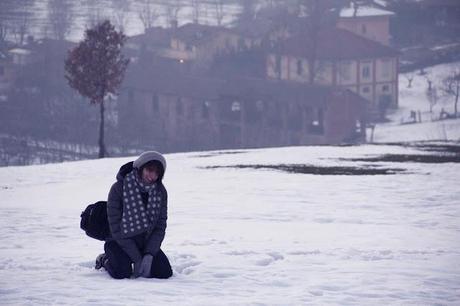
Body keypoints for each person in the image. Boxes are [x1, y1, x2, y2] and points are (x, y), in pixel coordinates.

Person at [95, 151, 173, 279]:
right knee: (122, 273)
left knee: (164, 272)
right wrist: (137, 259)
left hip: (145, 242)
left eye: (157, 173)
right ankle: (104, 259)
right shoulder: (118, 188)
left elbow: (160, 227)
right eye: (150, 169)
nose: (152, 176)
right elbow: (115, 228)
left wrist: (149, 254)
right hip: (119, 241)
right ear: (141, 167)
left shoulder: (160, 192)